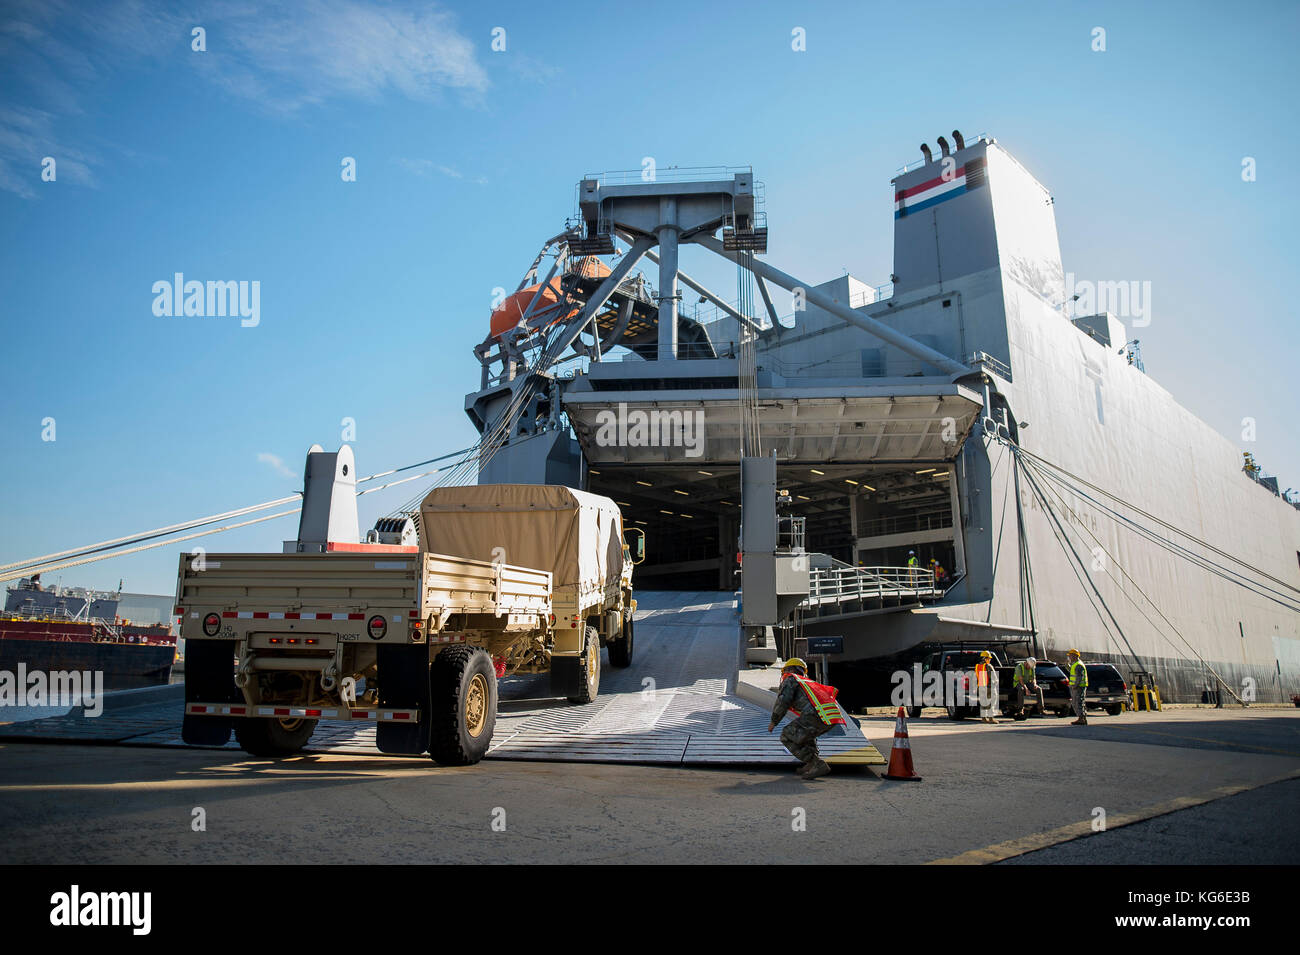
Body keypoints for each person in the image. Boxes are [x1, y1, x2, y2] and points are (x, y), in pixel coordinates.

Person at [767, 657, 846, 779]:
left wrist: (774, 721)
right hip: (831, 716)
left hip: (816, 714)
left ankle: (816, 763)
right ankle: (810, 764)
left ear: (787, 670)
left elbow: (783, 701)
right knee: (805, 735)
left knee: (786, 735)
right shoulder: (807, 682)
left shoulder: (791, 679)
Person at [1012, 656, 1043, 720]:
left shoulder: (1032, 668)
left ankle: (1040, 708)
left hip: (1028, 683)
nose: (1029, 668)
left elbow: (1033, 678)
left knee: (1039, 689)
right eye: (1029, 666)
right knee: (1021, 689)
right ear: (1026, 663)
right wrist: (1026, 689)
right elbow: (1020, 680)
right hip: (1018, 683)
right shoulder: (1019, 667)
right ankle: (1020, 709)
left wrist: (1034, 684)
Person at [976, 650, 1000, 723]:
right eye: (988, 658)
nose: (989, 659)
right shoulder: (989, 666)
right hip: (989, 687)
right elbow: (993, 677)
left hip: (981, 687)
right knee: (992, 702)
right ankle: (991, 718)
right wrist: (996, 682)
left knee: (983, 703)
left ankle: (983, 718)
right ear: (985, 658)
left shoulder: (978, 666)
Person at [1067, 648, 1089, 725]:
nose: (1069, 657)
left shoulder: (1078, 665)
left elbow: (1079, 677)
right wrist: (1067, 666)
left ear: (1074, 656)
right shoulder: (1075, 664)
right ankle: (1082, 718)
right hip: (1078, 686)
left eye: (1070, 655)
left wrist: (1075, 685)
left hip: (1078, 687)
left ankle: (1081, 718)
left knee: (1078, 702)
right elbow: (1074, 673)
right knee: (1078, 702)